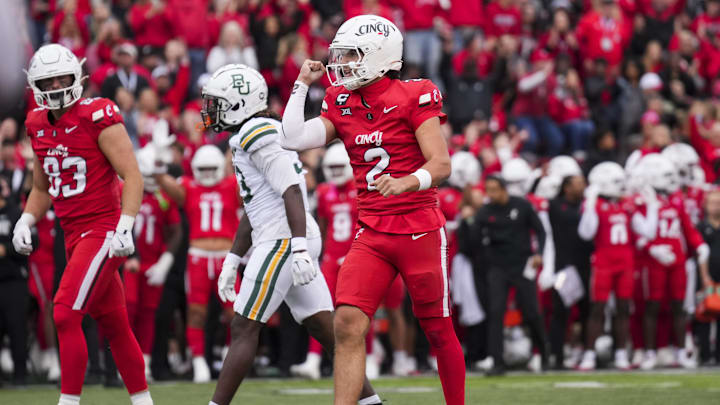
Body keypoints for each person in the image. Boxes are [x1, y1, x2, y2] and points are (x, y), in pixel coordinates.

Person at [280, 15, 465, 405]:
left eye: (350, 55)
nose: (341, 63)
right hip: (373, 232)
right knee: (346, 324)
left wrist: (407, 181)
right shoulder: (339, 101)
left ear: (378, 56)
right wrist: (301, 85)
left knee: (438, 331)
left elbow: (441, 165)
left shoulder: (414, 94)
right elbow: (292, 137)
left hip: (419, 229)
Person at [195, 64, 380, 405]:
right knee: (324, 327)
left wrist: (297, 248)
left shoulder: (257, 133)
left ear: (239, 104)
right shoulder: (246, 135)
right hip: (284, 234)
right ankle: (371, 402)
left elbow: (292, 189)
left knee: (244, 327)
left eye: (217, 103)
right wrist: (233, 258)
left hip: (284, 238)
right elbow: (256, 206)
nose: (210, 111)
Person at [16, 44, 151, 405]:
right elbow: (42, 188)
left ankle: (68, 402)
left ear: (77, 75)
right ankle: (143, 402)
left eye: (62, 76)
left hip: (104, 228)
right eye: (48, 80)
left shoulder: (97, 114)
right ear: (36, 84)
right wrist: (26, 219)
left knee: (63, 312)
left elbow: (132, 176)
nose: (57, 84)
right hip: (73, 235)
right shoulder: (36, 124)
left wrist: (125, 225)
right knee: (114, 324)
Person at [154, 142, 241, 383]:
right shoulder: (189, 187)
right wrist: (158, 160)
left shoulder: (231, 186)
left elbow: (251, 184)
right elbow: (163, 180)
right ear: (194, 168)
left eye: (212, 168)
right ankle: (199, 362)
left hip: (226, 257)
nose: (208, 174)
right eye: (203, 169)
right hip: (198, 257)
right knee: (196, 313)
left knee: (235, 312)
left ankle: (230, 356)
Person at [576, 162, 656, 371]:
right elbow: (586, 233)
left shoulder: (626, 205)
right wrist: (591, 202)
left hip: (625, 262)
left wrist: (653, 206)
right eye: (617, 182)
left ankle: (620, 353)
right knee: (597, 309)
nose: (621, 186)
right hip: (603, 262)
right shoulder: (596, 205)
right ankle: (589, 354)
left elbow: (648, 231)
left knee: (623, 309)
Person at [633, 154, 710, 370]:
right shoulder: (641, 200)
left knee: (679, 306)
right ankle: (650, 352)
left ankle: (680, 351)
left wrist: (699, 244)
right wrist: (652, 248)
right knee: (653, 305)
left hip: (677, 258)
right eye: (666, 175)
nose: (671, 179)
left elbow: (687, 227)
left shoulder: (676, 199)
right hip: (654, 260)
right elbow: (635, 234)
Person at [470, 175, 548, 375]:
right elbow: (473, 240)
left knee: (532, 311)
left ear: (504, 189)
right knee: (495, 312)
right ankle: (497, 361)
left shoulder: (522, 205)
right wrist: (469, 219)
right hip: (498, 267)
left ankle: (545, 353)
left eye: (495, 189)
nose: (491, 194)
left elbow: (540, 230)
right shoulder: (485, 212)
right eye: (488, 190)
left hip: (522, 265)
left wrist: (539, 253)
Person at [124, 145, 182, 381]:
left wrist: (165, 262)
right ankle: (125, 361)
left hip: (153, 264)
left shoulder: (163, 197)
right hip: (131, 263)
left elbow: (176, 230)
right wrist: (127, 257)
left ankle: (143, 363)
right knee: (128, 310)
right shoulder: (125, 192)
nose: (148, 180)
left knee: (149, 315)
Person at [0, 174, 29, 386]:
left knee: (17, 327)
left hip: (14, 279)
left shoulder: (15, 213)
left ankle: (21, 375)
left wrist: (7, 249)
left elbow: (30, 242)